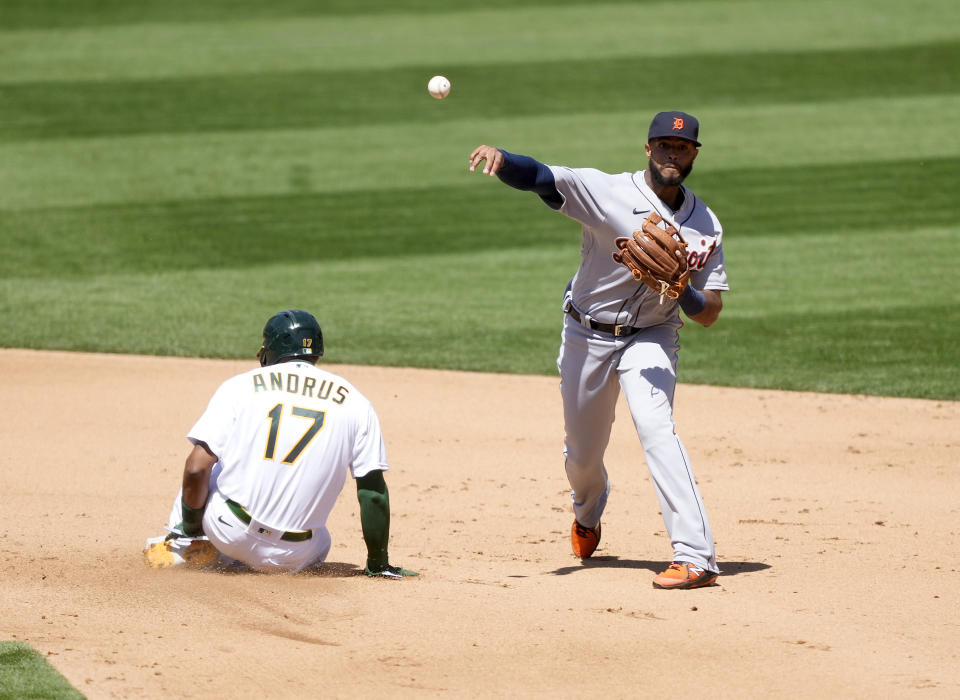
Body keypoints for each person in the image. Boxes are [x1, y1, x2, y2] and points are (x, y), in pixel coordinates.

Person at [468, 111, 727, 589]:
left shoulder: (706, 225)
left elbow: (709, 311)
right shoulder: (607, 191)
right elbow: (544, 178)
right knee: (583, 458)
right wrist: (504, 162)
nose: (673, 153)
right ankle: (587, 512)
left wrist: (681, 288)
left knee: (657, 430)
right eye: (664, 145)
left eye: (683, 147)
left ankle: (695, 556)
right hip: (586, 336)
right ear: (648, 149)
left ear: (694, 154)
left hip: (652, 336)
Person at [143, 309, 416, 579]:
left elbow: (195, 468)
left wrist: (193, 529)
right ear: (317, 352)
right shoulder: (356, 402)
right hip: (295, 555)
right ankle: (243, 561)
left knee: (209, 462)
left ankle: (185, 544)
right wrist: (378, 563)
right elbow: (373, 493)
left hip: (228, 531)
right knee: (322, 539)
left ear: (271, 349)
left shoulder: (240, 386)